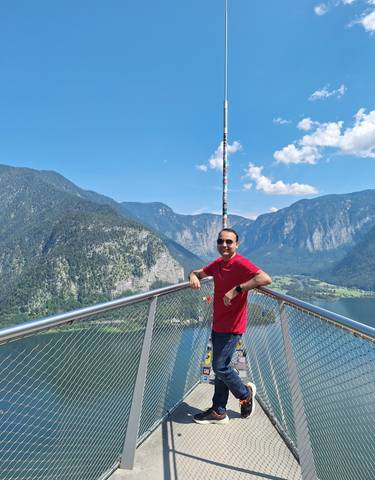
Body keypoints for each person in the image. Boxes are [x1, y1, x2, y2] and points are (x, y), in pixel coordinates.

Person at [189, 228, 272, 424]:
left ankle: (245, 394)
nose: (224, 245)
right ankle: (218, 411)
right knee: (221, 367)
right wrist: (192, 275)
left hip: (232, 326)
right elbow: (199, 272)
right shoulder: (218, 263)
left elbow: (265, 278)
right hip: (218, 323)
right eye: (220, 241)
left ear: (236, 244)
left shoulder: (240, 263)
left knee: (218, 366)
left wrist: (238, 289)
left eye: (229, 242)